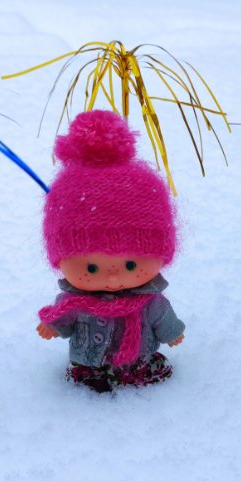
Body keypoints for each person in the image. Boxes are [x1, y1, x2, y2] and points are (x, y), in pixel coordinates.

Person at [36, 110, 185, 392]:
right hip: (89, 365)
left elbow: (163, 319)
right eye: (90, 268)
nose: (114, 279)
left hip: (138, 363)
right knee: (86, 382)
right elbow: (64, 320)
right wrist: (53, 326)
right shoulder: (74, 302)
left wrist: (172, 332)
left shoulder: (150, 303)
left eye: (131, 265)